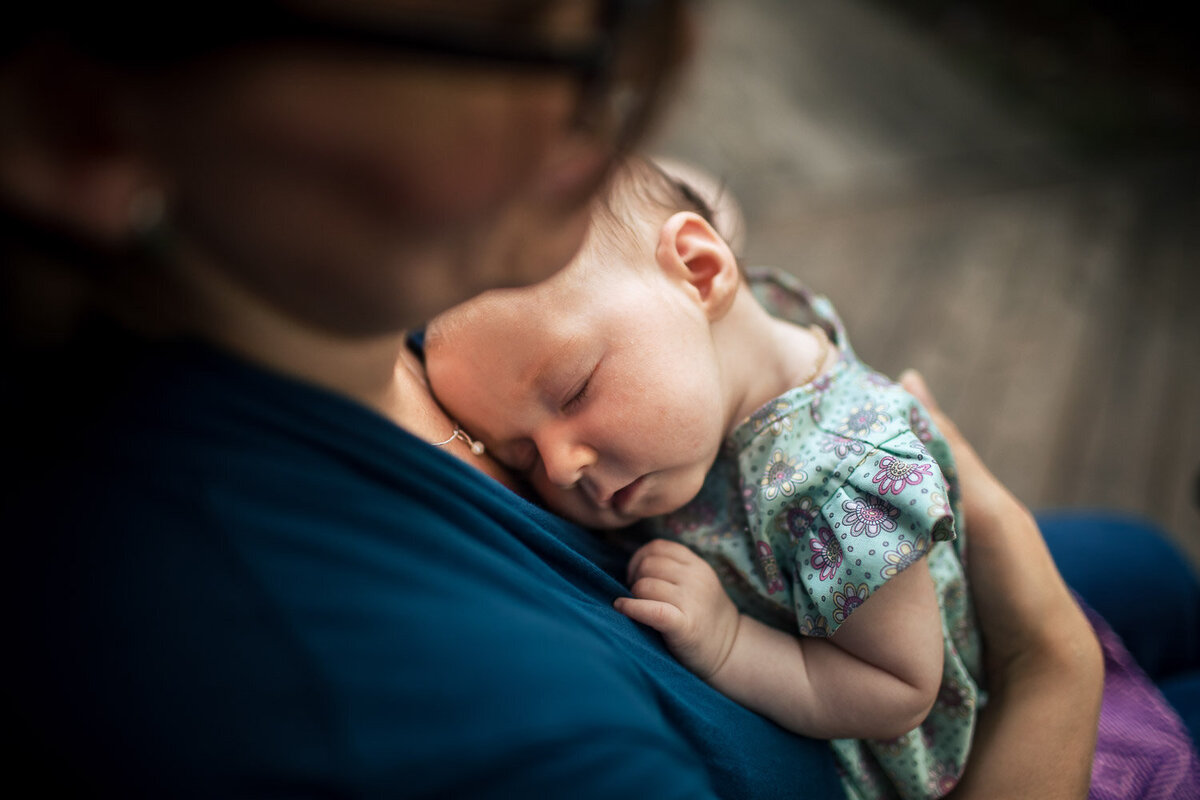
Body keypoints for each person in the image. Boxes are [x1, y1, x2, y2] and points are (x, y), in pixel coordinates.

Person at [0, 1, 1190, 797]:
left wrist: (664, 298)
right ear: (86, 130)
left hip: (812, 595)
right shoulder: (413, 718)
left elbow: (646, 234)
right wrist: (1048, 667)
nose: (606, 102)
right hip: (913, 730)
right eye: (519, 47)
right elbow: (919, 684)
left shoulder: (324, 271)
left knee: (1153, 565)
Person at [422, 156, 1198, 799]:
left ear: (700, 269)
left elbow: (897, 690)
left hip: (940, 760)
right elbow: (669, 216)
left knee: (1156, 569)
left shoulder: (836, 483)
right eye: (516, 453)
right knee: (1154, 575)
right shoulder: (729, 334)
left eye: (574, 391)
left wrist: (727, 643)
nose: (559, 465)